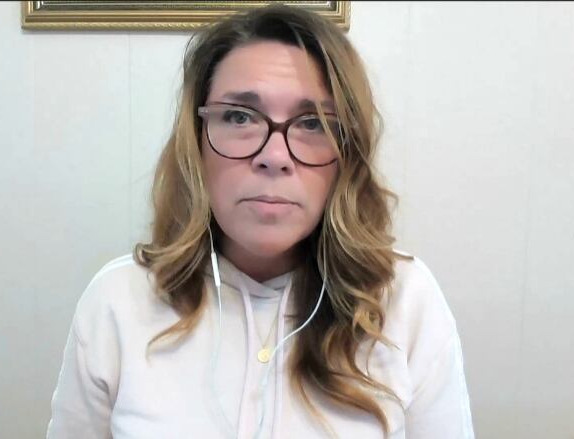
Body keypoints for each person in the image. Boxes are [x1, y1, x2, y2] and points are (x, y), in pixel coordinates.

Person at [46, 4, 474, 439]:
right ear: (197, 143)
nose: (274, 157)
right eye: (238, 117)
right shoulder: (118, 301)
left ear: (347, 153)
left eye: (313, 123)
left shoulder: (404, 301)